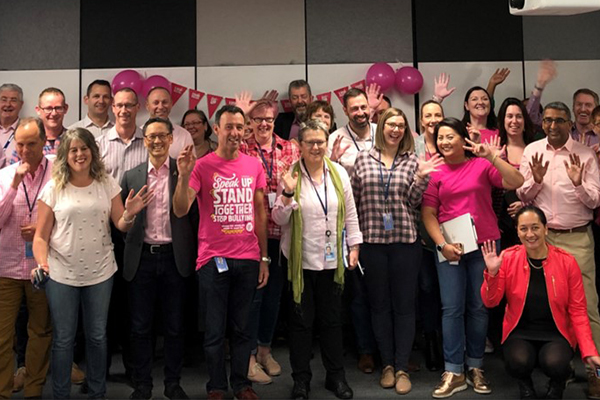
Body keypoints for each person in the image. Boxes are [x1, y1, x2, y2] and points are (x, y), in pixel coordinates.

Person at [32, 127, 152, 399]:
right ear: (65, 155)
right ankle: (61, 394)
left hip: (100, 272)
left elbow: (120, 224)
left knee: (98, 336)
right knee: (63, 339)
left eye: (84, 149)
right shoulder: (53, 188)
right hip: (61, 273)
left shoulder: (107, 183)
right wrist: (43, 264)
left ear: (92, 152)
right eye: (73, 150)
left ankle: (98, 393)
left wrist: (130, 214)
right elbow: (40, 237)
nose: (79, 154)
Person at [421, 117, 524, 398]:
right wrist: (441, 245)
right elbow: (428, 214)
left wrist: (491, 155)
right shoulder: (436, 171)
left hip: (485, 246)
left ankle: (476, 366)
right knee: (451, 308)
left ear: (461, 137)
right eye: (440, 137)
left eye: (449, 136)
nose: (444, 142)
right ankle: (454, 371)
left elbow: (517, 180)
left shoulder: (480, 164)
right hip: (450, 247)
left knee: (479, 307)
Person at [173, 104, 269, 400]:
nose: (235, 133)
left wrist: (264, 257)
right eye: (229, 127)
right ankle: (216, 386)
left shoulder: (254, 165)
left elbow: (260, 212)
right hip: (212, 261)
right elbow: (180, 209)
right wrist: (182, 175)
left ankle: (241, 384)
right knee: (214, 331)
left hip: (248, 258)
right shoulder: (201, 166)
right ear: (216, 130)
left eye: (240, 127)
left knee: (242, 330)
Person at [351, 108, 443, 394]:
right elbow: (353, 202)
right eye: (391, 124)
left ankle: (402, 366)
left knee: (404, 307)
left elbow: (414, 202)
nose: (395, 129)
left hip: (405, 242)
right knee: (379, 306)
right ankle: (387, 365)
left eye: (401, 126)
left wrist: (422, 178)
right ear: (382, 128)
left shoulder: (412, 161)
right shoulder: (362, 160)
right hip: (372, 244)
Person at [272, 120, 362, 400]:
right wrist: (287, 193)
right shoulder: (290, 174)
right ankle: (301, 380)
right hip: (300, 262)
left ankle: (336, 377)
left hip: (332, 262)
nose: (315, 147)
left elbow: (350, 211)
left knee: (333, 322)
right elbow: (278, 219)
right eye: (309, 142)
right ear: (299, 145)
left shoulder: (338, 173)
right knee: (301, 325)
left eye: (320, 142)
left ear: (326, 143)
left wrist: (354, 245)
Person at [517, 101, 600, 397]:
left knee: (587, 307)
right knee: (552, 308)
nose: (552, 126)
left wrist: (578, 184)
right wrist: (536, 180)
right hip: (543, 241)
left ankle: (594, 372)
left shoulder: (586, 154)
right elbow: (523, 195)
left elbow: (593, 201)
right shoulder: (531, 151)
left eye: (559, 121)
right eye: (548, 121)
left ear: (570, 124)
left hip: (578, 238)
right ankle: (560, 370)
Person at [481, 206, 600, 399]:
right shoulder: (508, 258)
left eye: (535, 227)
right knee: (518, 362)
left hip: (556, 332)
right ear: (517, 232)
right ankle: (525, 385)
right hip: (520, 331)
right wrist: (492, 274)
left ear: (546, 229)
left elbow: (578, 311)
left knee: (556, 364)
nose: (530, 234)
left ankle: (557, 385)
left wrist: (589, 352)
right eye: (524, 228)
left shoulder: (567, 262)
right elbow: (490, 302)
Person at [121, 118, 198, 400]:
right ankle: (143, 385)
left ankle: (172, 383)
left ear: (170, 140)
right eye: (150, 136)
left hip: (174, 258)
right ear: (144, 140)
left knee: (175, 326)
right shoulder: (131, 175)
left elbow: (192, 218)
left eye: (161, 136)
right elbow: (122, 221)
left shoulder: (184, 171)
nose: (156, 141)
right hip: (141, 259)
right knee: (140, 327)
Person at [241, 99, 299, 385]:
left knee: (274, 297)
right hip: (250, 237)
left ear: (275, 120)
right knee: (252, 298)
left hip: (282, 233)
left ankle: (265, 349)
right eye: (258, 119)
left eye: (269, 119)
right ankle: (248, 356)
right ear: (250, 121)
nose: (263, 124)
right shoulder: (242, 148)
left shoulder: (291, 148)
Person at [0, 118, 52, 399]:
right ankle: (3, 392)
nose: (25, 150)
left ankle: (34, 390)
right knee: (2, 336)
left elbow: (66, 214)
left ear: (44, 142)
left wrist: (43, 229)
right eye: (20, 144)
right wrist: (13, 185)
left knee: (40, 332)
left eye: (31, 144)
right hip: (6, 267)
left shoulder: (58, 172)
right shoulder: (5, 175)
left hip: (41, 267)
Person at [327, 87, 377, 373]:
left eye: (363, 107)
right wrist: (332, 162)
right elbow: (324, 179)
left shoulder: (382, 132)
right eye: (354, 108)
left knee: (384, 291)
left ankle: (390, 350)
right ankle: (365, 350)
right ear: (345, 111)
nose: (360, 112)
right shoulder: (335, 138)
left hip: (382, 222)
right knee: (358, 294)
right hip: (348, 225)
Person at [414, 100, 445, 371]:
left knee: (448, 290)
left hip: (451, 228)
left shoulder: (451, 143)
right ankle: (431, 339)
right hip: (421, 232)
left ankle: (449, 342)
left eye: (437, 114)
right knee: (426, 288)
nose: (433, 119)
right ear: (421, 120)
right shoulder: (412, 148)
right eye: (428, 115)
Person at [495, 97, 536, 248]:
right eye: (509, 116)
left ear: (525, 121)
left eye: (519, 116)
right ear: (502, 121)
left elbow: (544, 187)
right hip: (502, 225)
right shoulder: (496, 151)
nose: (514, 121)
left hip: (533, 224)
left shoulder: (536, 150)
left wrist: (525, 204)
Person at [9, 88, 69, 165]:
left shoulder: (74, 141)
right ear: (38, 110)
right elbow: (13, 172)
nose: (54, 113)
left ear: (65, 108)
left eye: (58, 108)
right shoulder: (25, 143)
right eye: (48, 108)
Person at [145, 87, 194, 158]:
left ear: (171, 104)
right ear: (147, 105)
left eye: (164, 102)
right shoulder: (139, 135)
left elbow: (191, 166)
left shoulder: (184, 135)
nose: (160, 106)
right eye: (156, 103)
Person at [0, 83, 24, 167]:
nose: (8, 104)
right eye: (4, 99)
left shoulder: (26, 130)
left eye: (13, 100)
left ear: (21, 105)